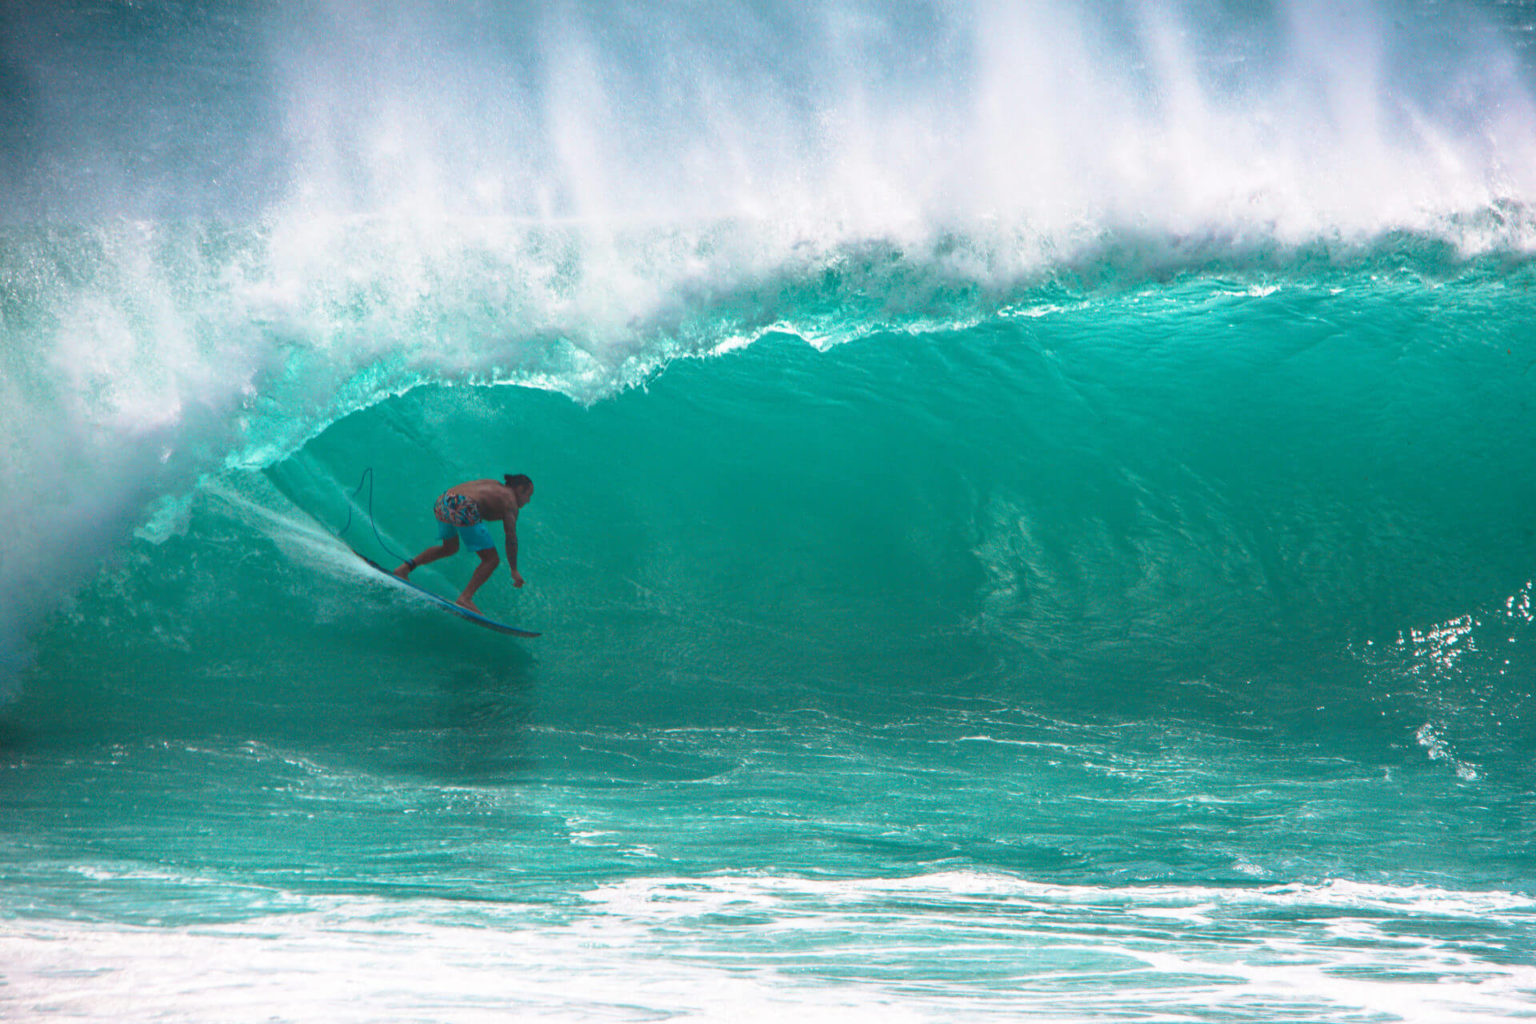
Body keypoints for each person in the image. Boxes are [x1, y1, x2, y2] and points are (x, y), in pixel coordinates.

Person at [394, 474, 533, 614]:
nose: (528, 501)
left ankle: (403, 569)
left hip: (444, 500)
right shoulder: (510, 501)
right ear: (520, 489)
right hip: (463, 504)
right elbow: (511, 538)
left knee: (449, 548)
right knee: (491, 560)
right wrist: (514, 569)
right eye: (528, 495)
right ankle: (465, 598)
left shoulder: (494, 484)